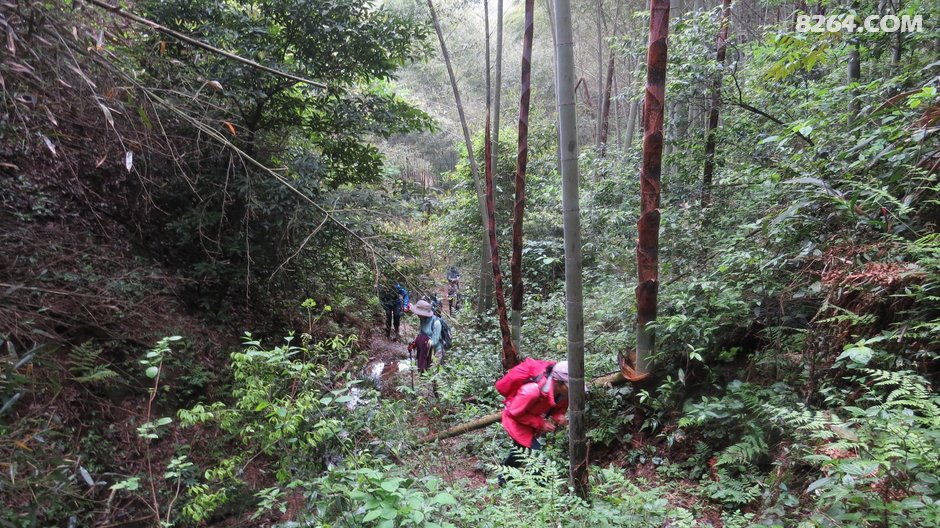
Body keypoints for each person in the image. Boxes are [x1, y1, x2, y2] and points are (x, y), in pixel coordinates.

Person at [500, 361, 569, 473]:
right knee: (536, 455)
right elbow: (514, 413)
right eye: (568, 385)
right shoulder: (531, 391)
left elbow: (557, 407)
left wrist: (558, 416)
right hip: (516, 421)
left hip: (532, 419)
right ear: (557, 382)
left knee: (520, 451)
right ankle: (541, 486)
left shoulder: (564, 393)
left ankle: (504, 478)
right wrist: (541, 423)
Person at [408, 299, 441, 372]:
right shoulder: (422, 320)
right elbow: (422, 333)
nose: (417, 314)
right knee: (424, 368)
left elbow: (434, 341)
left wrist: (425, 342)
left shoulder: (436, 323)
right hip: (427, 349)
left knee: (433, 369)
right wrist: (415, 343)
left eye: (419, 313)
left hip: (437, 349)